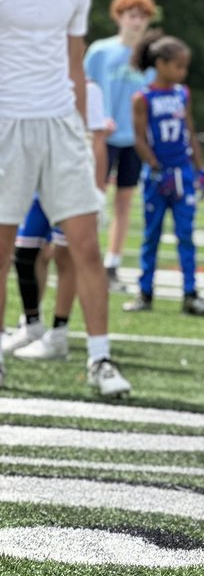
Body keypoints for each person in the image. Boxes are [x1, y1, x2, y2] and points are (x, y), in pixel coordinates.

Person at [0, 0, 131, 396]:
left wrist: (81, 132)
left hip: (60, 128)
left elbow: (76, 67)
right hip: (5, 124)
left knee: (85, 247)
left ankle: (99, 359)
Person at [2, 76, 108, 362]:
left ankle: (60, 331)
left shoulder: (87, 89)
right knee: (23, 253)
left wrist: (98, 187)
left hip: (68, 175)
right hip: (31, 177)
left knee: (67, 255)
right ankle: (32, 323)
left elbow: (96, 139)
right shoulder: (26, 78)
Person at [124, 31, 204, 316]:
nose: (182, 72)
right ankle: (145, 292)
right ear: (160, 63)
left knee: (186, 235)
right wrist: (154, 166)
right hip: (157, 177)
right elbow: (139, 138)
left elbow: (189, 131)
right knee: (152, 234)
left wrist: (199, 170)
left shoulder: (181, 93)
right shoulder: (143, 97)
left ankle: (190, 293)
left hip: (182, 173)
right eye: (178, 66)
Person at [84, 0, 157, 292]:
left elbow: (154, 95)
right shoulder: (101, 51)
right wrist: (95, 121)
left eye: (142, 16)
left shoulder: (151, 55)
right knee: (92, 199)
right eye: (132, 15)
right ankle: (85, 258)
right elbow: (84, 85)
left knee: (124, 203)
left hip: (135, 140)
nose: (137, 21)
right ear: (119, 17)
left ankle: (111, 264)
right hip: (102, 136)